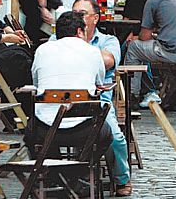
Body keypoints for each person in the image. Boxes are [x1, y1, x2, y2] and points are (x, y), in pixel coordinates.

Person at [29, 11, 113, 186]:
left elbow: (36, 82)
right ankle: (75, 174)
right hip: (83, 129)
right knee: (105, 134)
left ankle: (56, 175)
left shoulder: (42, 50)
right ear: (80, 31)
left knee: (30, 134)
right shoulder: (92, 51)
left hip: (45, 128)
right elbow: (98, 82)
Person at [67, 0, 131, 196]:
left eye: (82, 14)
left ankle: (122, 179)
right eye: (75, 13)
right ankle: (62, 177)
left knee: (116, 137)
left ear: (95, 18)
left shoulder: (107, 40)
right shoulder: (62, 37)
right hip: (64, 100)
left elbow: (109, 60)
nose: (78, 18)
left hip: (98, 101)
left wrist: (76, 52)